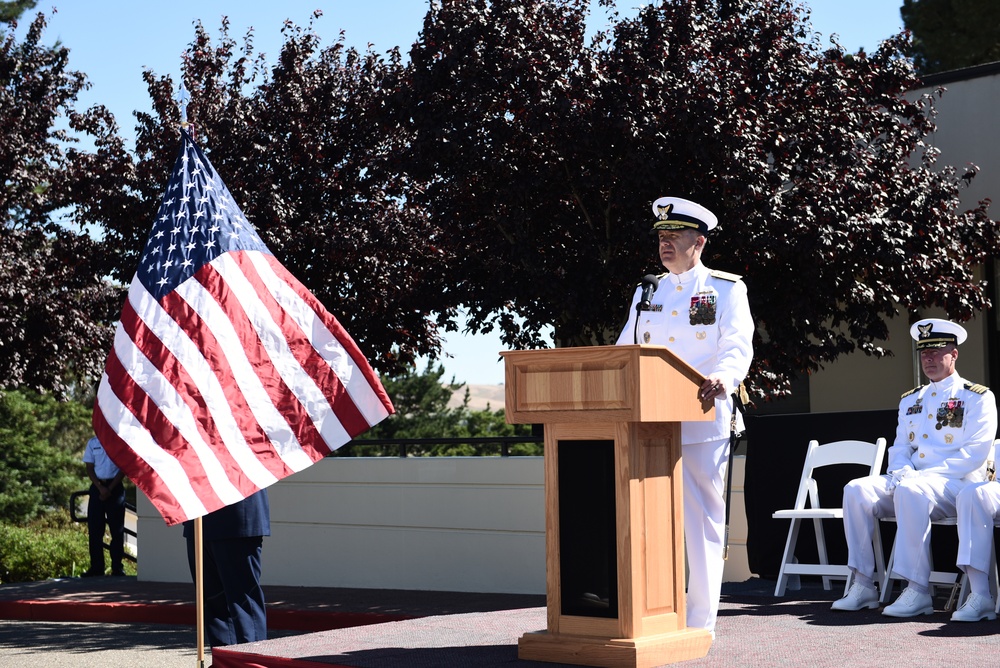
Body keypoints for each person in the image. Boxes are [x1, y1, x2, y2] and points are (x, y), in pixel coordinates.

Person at [615, 196, 754, 636]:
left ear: (700, 242)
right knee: (648, 524)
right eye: (661, 237)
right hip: (650, 425)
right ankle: (655, 616)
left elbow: (737, 345)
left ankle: (699, 625)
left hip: (701, 418)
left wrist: (724, 378)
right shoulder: (647, 290)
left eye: (675, 236)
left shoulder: (727, 289)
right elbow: (625, 351)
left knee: (702, 527)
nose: (665, 244)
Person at [832, 318, 997, 617]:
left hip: (956, 483)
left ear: (954, 354)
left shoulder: (976, 397)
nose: (929, 359)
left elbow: (974, 455)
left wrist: (916, 477)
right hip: (913, 481)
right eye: (924, 353)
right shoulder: (911, 400)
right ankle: (864, 584)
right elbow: (900, 448)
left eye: (936, 352)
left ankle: (917, 589)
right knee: (856, 489)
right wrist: (901, 471)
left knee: (911, 489)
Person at [183, 489, 270, 647]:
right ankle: (224, 661)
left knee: (243, 603)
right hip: (198, 518)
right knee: (213, 604)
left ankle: (251, 662)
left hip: (236, 519)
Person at [82, 434, 126, 577]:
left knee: (117, 530)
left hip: (115, 487)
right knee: (95, 530)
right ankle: (96, 567)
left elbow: (123, 468)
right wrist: (100, 488)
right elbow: (89, 467)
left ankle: (117, 567)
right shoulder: (93, 442)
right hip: (97, 487)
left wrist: (110, 489)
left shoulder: (118, 442)